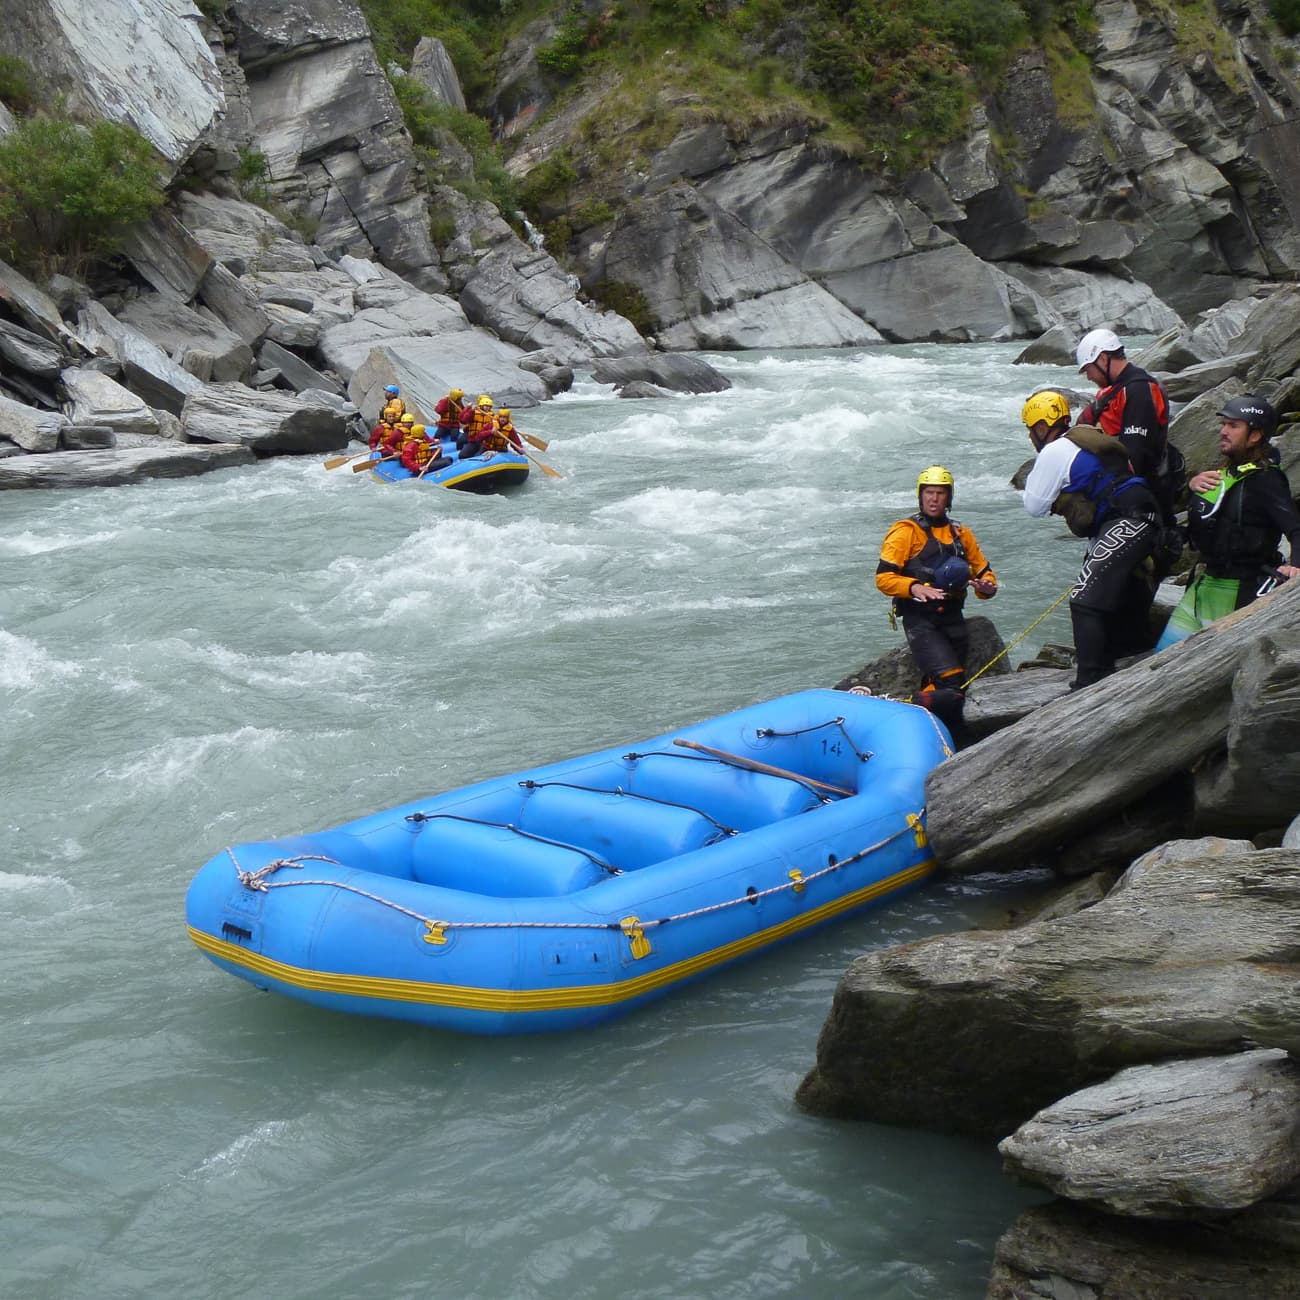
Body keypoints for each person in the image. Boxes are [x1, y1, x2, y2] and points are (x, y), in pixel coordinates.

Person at [1021, 388, 1162, 688]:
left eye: (1031, 430)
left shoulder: (1055, 450)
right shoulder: (1084, 441)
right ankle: (1131, 658)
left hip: (1128, 520)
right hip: (1143, 516)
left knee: (1085, 600)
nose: (1031, 437)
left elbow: (1033, 506)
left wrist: (1060, 495)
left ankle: (1089, 682)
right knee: (1125, 594)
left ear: (1042, 427)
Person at [1156, 395, 1300, 648]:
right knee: (1163, 658)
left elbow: (1296, 530)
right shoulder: (1226, 474)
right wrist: (1191, 488)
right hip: (1203, 583)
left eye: (1234, 426)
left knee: (1197, 671)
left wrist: (1296, 565)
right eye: (1224, 424)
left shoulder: (1266, 480)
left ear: (1255, 436)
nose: (1223, 431)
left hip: (1238, 589)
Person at [876, 466, 998, 729]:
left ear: (949, 498)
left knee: (953, 684)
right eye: (929, 493)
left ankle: (934, 728)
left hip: (953, 616)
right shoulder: (905, 532)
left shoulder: (960, 533)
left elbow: (983, 571)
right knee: (952, 681)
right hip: (921, 620)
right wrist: (915, 588)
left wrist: (987, 587)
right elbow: (883, 578)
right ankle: (901, 708)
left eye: (940, 493)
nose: (934, 499)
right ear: (920, 496)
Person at [1074, 327, 1182, 524]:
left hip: (1141, 504)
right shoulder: (1114, 391)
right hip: (1120, 498)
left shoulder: (1139, 390)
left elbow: (1135, 457)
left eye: (1088, 369)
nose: (1088, 377)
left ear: (1103, 359)